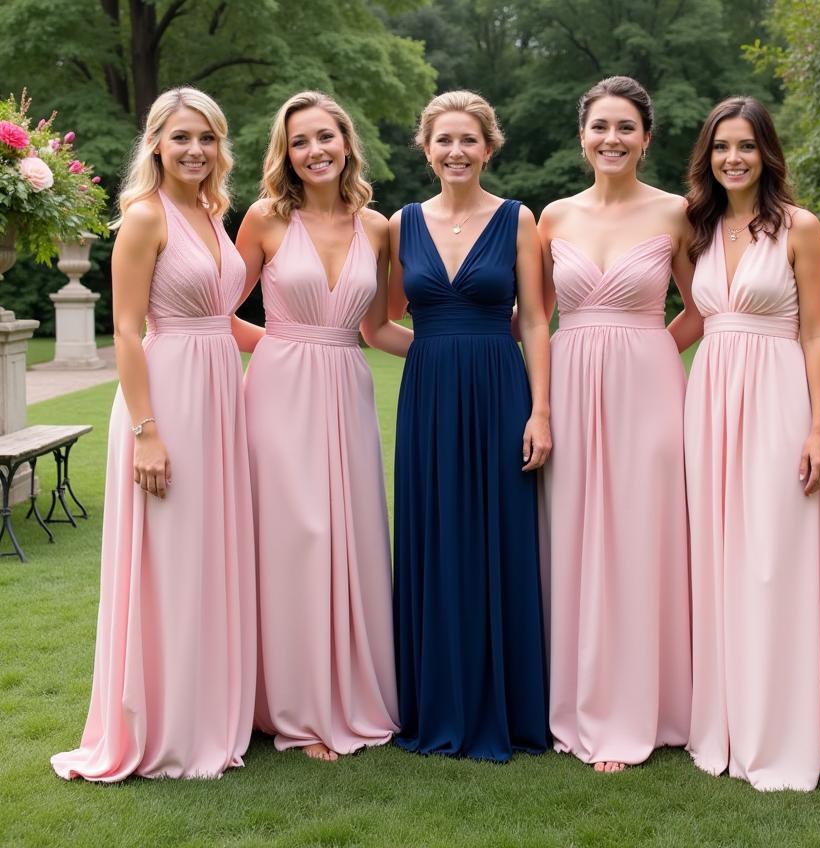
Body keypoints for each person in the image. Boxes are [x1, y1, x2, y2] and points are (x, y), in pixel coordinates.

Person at [51, 88, 256, 781]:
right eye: (180, 138)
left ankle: (208, 712)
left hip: (219, 395)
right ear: (156, 146)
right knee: (170, 560)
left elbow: (223, 318)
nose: (195, 149)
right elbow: (128, 330)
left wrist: (305, 341)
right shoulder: (144, 217)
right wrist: (145, 431)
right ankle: (164, 728)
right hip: (165, 398)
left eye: (206, 137)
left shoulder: (211, 211)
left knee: (209, 556)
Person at [235, 91, 407, 762]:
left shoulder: (378, 228)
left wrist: (462, 356)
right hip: (279, 393)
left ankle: (352, 693)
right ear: (286, 153)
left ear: (347, 142)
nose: (314, 151)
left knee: (352, 534)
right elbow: (214, 310)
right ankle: (299, 711)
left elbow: (379, 326)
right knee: (296, 538)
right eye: (300, 141)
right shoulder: (265, 220)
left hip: (348, 389)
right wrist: (280, 346)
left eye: (324, 137)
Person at [537, 76, 699, 773]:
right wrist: (541, 403)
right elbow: (533, 319)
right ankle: (573, 700)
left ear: (646, 138)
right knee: (570, 536)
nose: (612, 138)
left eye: (626, 127)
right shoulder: (553, 217)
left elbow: (702, 305)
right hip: (570, 386)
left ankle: (643, 707)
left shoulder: (676, 214)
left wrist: (653, 349)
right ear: (582, 136)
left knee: (642, 537)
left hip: (648, 387)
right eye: (600, 126)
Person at [388, 90, 550, 761]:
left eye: (468, 141)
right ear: (426, 149)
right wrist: (436, 352)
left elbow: (537, 320)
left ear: (489, 147)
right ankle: (435, 702)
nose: (456, 152)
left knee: (501, 539)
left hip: (500, 394)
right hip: (428, 397)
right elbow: (374, 322)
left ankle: (506, 707)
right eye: (443, 141)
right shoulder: (400, 224)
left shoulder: (517, 220)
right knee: (433, 538)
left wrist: (540, 409)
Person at [683, 96, 820, 792]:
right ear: (707, 156)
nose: (732, 158)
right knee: (716, 559)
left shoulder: (801, 228)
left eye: (744, 145)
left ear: (766, 152)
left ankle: (778, 732)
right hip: (709, 399)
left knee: (772, 558)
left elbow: (816, 332)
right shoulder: (698, 228)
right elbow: (688, 319)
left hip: (777, 397)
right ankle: (723, 722)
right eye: (720, 147)